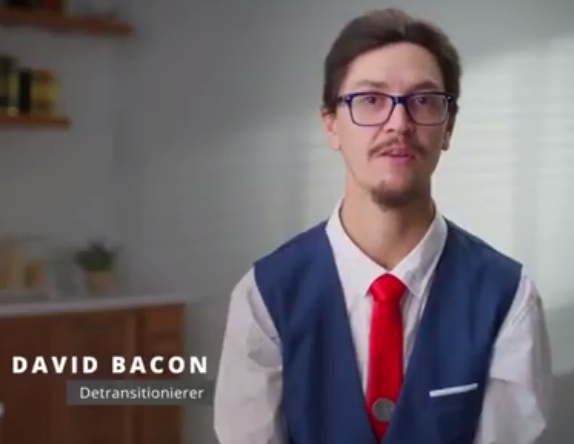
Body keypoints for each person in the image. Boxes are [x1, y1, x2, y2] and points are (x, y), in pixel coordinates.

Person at [213, 8, 553, 444]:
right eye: (371, 99)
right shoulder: (264, 296)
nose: (399, 123)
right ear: (331, 125)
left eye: (423, 101)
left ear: (448, 128)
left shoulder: (508, 298)